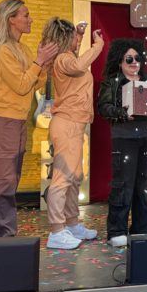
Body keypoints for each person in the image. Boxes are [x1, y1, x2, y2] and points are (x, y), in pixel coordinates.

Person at [0, 0, 58, 237]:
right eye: (25, 15)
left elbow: (34, 83)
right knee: (3, 182)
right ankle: (2, 237)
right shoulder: (2, 50)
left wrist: (44, 63)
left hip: (16, 121)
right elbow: (22, 85)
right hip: (2, 121)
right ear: (11, 19)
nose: (30, 19)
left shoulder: (21, 49)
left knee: (10, 180)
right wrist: (39, 61)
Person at [41, 18, 104, 250]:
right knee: (63, 178)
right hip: (67, 124)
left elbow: (76, 57)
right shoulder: (63, 59)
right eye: (73, 38)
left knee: (75, 176)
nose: (77, 42)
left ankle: (72, 223)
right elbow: (78, 65)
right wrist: (98, 46)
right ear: (64, 39)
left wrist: (79, 34)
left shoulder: (67, 57)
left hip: (75, 124)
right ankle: (57, 230)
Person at [98, 39, 147, 248]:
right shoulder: (112, 82)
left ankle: (142, 227)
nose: (134, 62)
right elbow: (104, 107)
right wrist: (123, 113)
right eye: (129, 59)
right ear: (119, 61)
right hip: (124, 137)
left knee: (145, 184)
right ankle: (116, 230)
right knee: (123, 184)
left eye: (138, 58)